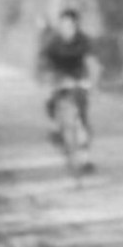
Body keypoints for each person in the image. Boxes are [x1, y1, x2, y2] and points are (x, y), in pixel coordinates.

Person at [38, 9, 101, 162]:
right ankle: (55, 128)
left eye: (72, 25)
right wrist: (48, 76)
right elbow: (44, 59)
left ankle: (86, 157)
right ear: (61, 25)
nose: (69, 29)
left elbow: (93, 61)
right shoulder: (54, 40)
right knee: (50, 99)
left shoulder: (84, 40)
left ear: (77, 25)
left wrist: (93, 82)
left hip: (79, 76)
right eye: (65, 25)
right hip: (58, 75)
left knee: (82, 114)